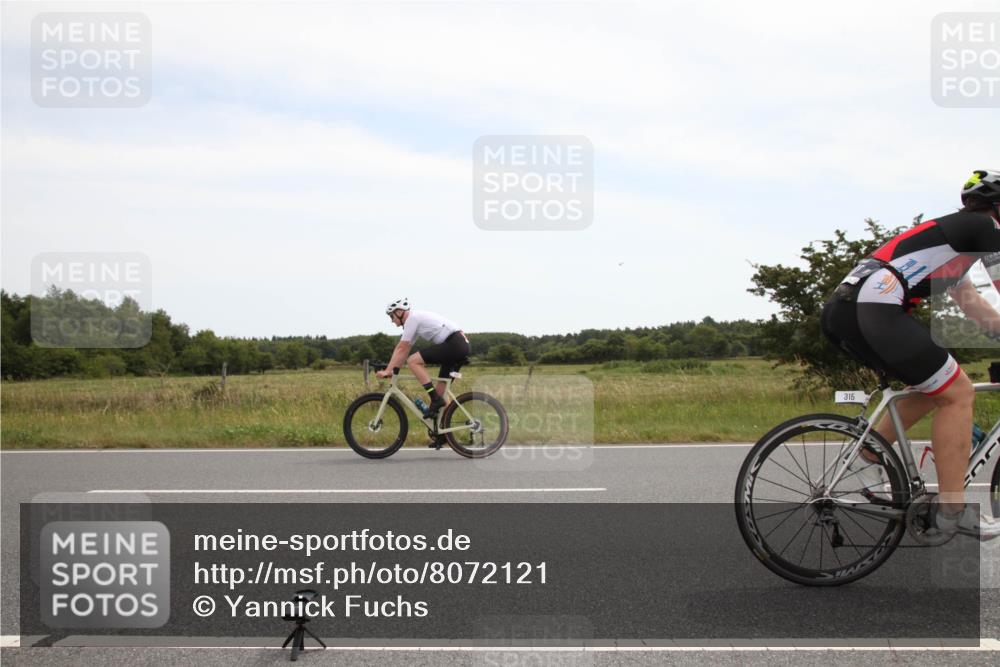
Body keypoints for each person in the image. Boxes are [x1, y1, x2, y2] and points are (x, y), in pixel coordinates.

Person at [821, 169, 1000, 541]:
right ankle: (954, 510)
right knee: (959, 393)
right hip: (873, 309)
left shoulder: (953, 245)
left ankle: (869, 456)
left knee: (936, 386)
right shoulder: (984, 230)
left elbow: (976, 308)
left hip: (847, 312)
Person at [377, 298, 471, 447]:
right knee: (441, 395)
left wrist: (388, 370)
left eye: (391, 316)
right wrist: (393, 370)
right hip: (458, 345)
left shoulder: (412, 319)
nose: (391, 320)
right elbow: (404, 349)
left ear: (400, 312)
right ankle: (444, 434)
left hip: (454, 344)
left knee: (413, 361)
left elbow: (401, 349)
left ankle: (434, 398)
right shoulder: (414, 322)